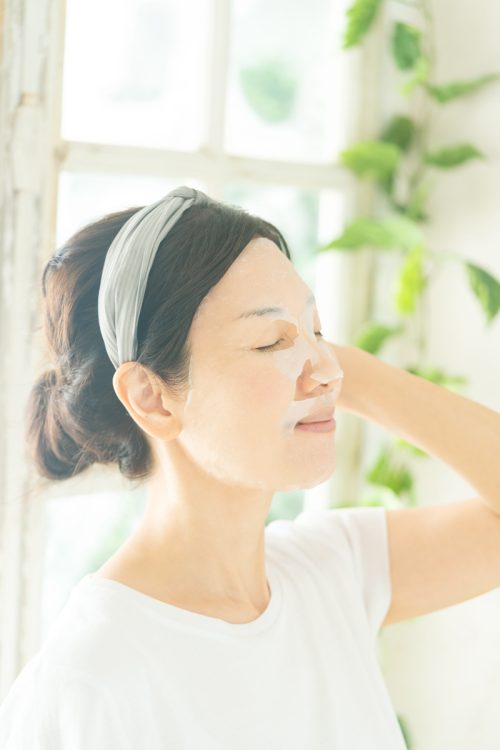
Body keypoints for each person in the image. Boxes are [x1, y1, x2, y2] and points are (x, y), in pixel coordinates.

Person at [0, 187, 407, 748]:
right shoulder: (86, 686)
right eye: (270, 341)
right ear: (151, 398)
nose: (329, 370)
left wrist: (323, 361)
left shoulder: (333, 569)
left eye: (318, 329)